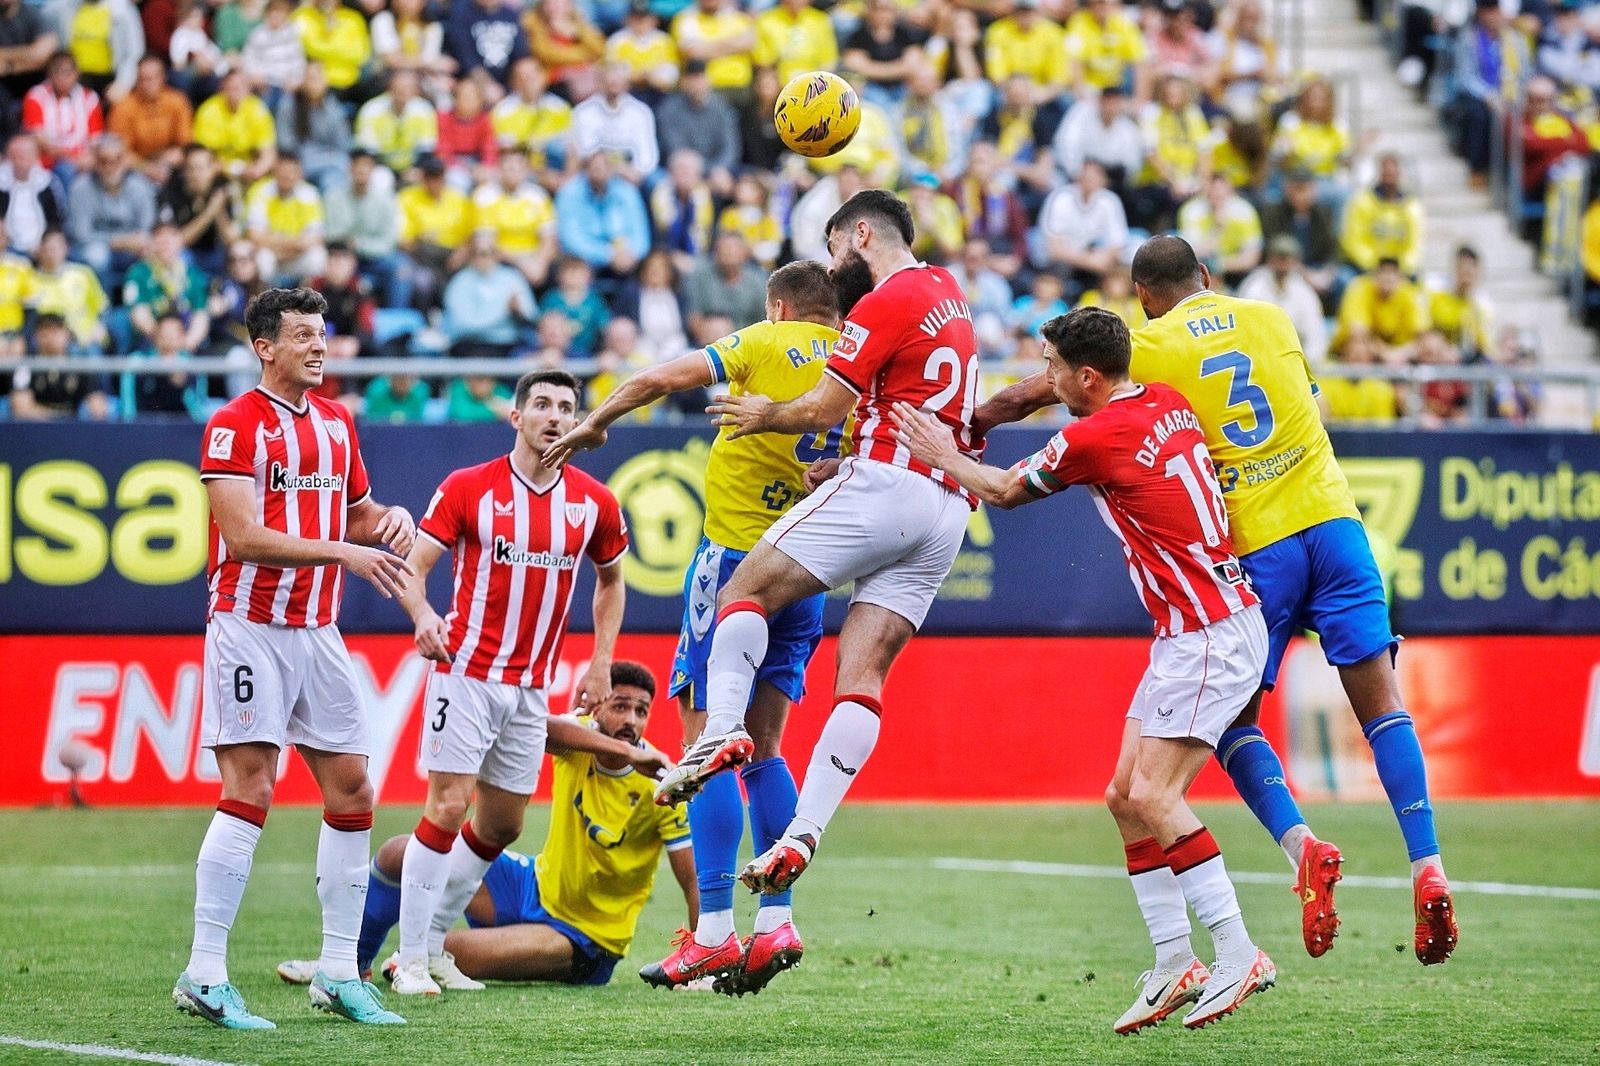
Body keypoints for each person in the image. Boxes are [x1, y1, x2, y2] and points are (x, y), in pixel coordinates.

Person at [970, 235, 1457, 967]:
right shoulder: (1273, 318)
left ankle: (1301, 846)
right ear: (1205, 273)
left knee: (1230, 722)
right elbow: (1311, 407)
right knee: (1384, 706)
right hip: (1335, 522)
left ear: (1143, 297)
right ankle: (1428, 864)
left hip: (1259, 547)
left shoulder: (1148, 347)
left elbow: (1039, 392)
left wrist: (973, 422)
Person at [893, 307, 1276, 1032]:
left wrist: (940, 450)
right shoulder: (1166, 399)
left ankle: (1238, 951)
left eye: (1053, 367)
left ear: (1088, 376)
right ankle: (1175, 960)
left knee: (1155, 795)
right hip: (1196, 626)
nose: (1047, 378)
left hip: (1209, 632)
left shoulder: (1093, 436)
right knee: (1125, 797)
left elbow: (1003, 492)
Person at [654, 190, 978, 903]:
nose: (834, 270)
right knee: (860, 678)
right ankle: (802, 836)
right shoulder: (949, 294)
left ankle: (721, 732)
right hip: (947, 504)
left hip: (887, 484)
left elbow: (825, 406)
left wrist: (767, 412)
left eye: (834, 249)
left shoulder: (885, 300)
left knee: (742, 591)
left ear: (861, 234)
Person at [545, 260, 842, 995]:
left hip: (736, 566)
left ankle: (712, 932)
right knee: (767, 750)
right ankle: (776, 919)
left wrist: (597, 420)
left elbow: (658, 377)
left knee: (708, 744)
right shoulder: (854, 364)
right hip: (806, 570)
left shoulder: (761, 341)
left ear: (778, 307)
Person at [175, 287, 418, 1030]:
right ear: (265, 347)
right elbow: (243, 537)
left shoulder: (338, 423)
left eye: (323, 334)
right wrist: (345, 551)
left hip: (318, 630)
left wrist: (389, 520)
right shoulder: (233, 425)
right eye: (304, 336)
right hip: (249, 625)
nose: (319, 347)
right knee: (251, 786)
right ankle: (204, 973)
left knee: (353, 790)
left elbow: (358, 515)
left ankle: (339, 971)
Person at [379, 369, 630, 996]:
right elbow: (415, 567)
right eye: (541, 404)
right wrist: (423, 615)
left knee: (501, 826)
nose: (554, 416)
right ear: (516, 417)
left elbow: (611, 580)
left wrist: (601, 659)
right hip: (465, 672)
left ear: (578, 423)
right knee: (448, 805)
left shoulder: (594, 502)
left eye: (566, 407)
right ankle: (409, 959)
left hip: (531, 687)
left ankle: (433, 948)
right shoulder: (470, 487)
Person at [276, 663, 692, 988]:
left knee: (442, 951)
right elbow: (540, 728)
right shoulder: (581, 740)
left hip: (584, 937)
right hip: (531, 886)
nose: (631, 720)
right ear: (597, 709)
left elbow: (692, 880)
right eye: (620, 706)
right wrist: (624, 751)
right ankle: (347, 964)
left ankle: (410, 962)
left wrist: (697, 959)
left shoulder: (661, 784)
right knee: (396, 853)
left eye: (641, 711)